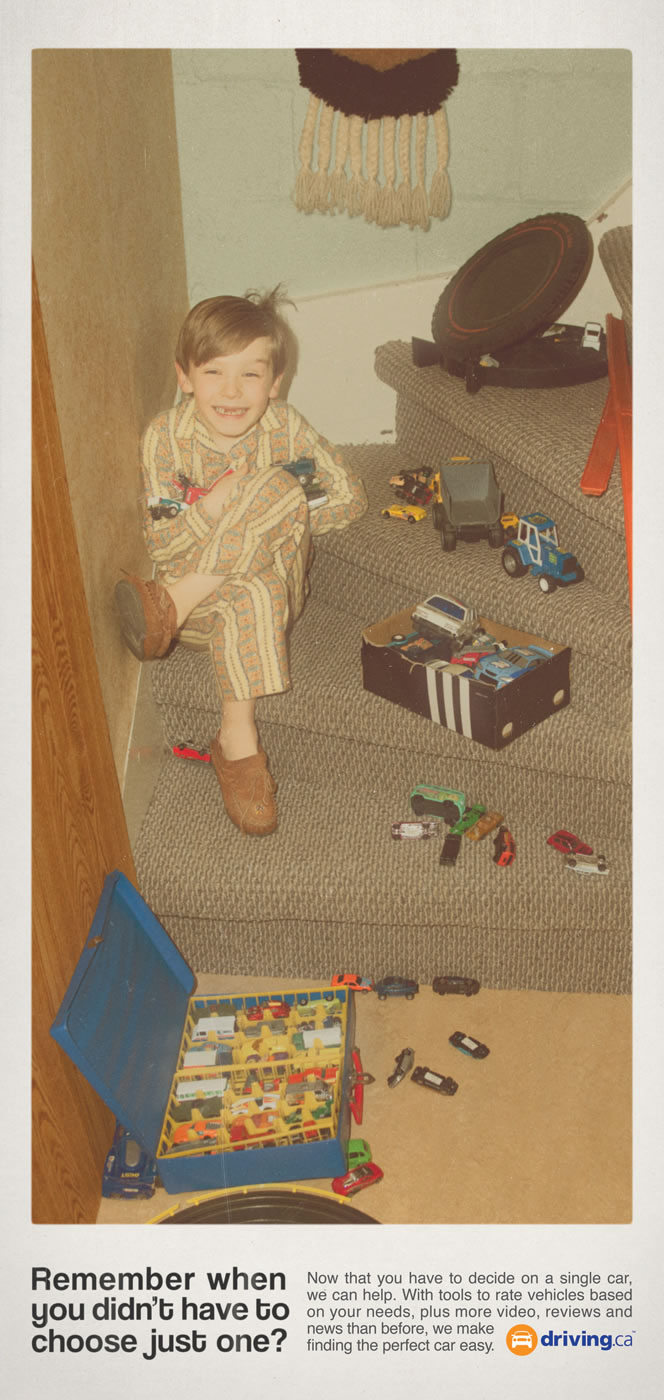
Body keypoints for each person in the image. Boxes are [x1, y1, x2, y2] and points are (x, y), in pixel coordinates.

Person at [115, 287, 367, 836]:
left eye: (250, 374)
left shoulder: (285, 425)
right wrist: (214, 505)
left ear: (274, 383)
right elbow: (163, 544)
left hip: (204, 607)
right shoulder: (165, 437)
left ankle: (175, 616)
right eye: (213, 372)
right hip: (198, 618)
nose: (231, 391)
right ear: (185, 377)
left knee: (275, 498)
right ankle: (237, 742)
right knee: (252, 580)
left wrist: (275, 517)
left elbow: (350, 496)